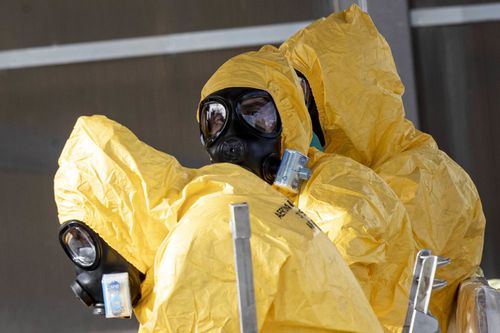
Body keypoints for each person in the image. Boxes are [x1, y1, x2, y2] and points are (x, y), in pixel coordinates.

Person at [55, 115, 384, 332]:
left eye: (84, 244)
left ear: (119, 217)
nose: (88, 267)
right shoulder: (226, 193)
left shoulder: (197, 243)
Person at [280, 5, 486, 330]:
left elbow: (355, 285)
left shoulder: (417, 178)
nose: (298, 118)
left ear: (341, 97)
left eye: (304, 98)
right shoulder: (383, 170)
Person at [198, 46, 416, 332]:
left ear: (288, 115)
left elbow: (335, 300)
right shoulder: (235, 204)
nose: (233, 135)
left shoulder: (339, 189)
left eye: (253, 113)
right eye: (217, 121)